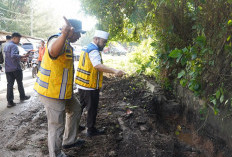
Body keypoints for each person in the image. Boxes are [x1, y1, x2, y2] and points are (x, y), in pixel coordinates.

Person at [34, 18, 86, 157]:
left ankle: (69, 141)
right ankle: (55, 154)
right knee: (57, 126)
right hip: (52, 92)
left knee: (75, 109)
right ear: (70, 31)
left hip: (63, 91)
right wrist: (63, 34)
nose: (80, 36)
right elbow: (53, 52)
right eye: (78, 33)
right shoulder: (57, 40)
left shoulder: (67, 43)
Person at [75, 30, 125, 137]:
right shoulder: (93, 50)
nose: (104, 44)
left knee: (81, 106)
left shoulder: (86, 47)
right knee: (91, 109)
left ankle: (74, 125)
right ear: (96, 39)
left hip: (82, 84)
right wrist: (115, 71)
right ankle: (91, 130)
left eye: (106, 42)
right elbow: (97, 65)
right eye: (103, 42)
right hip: (90, 86)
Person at [4, 33, 30, 108]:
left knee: (10, 85)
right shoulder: (14, 45)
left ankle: (10, 102)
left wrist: (20, 58)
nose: (19, 41)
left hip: (8, 68)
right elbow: (13, 55)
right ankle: (22, 96)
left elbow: (10, 57)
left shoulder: (6, 45)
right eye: (18, 39)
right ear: (14, 38)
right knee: (19, 83)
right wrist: (23, 56)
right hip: (15, 68)